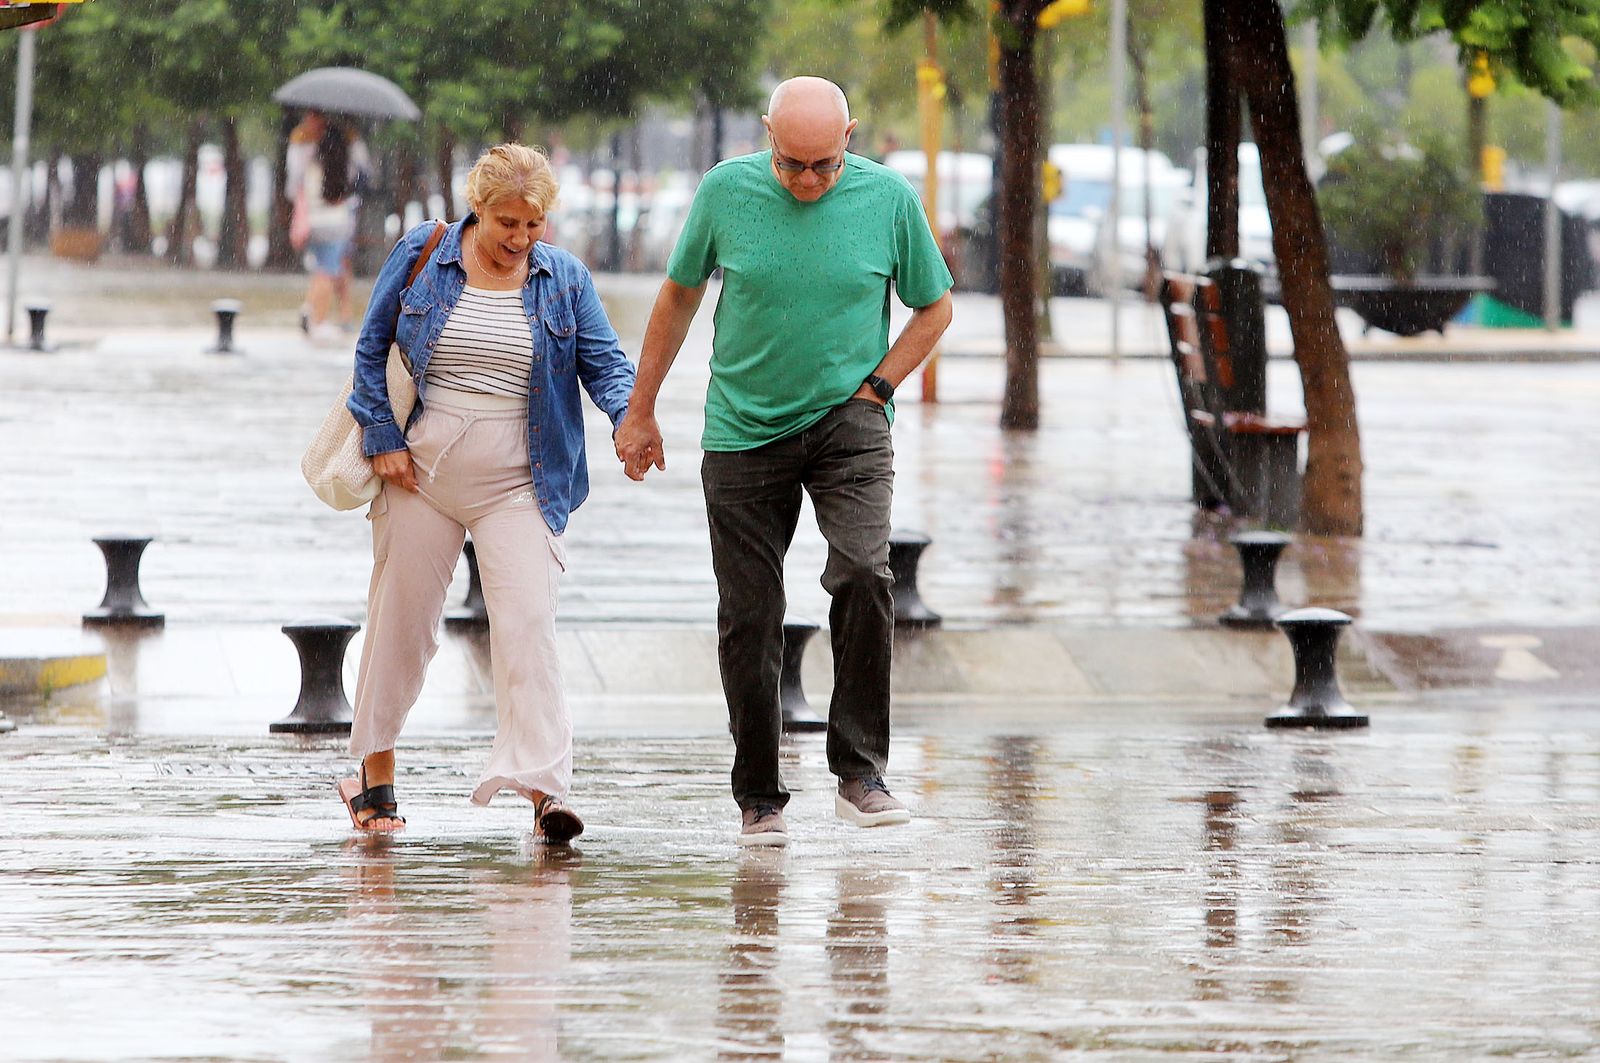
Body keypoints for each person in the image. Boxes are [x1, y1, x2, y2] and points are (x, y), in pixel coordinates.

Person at [614, 77, 954, 847]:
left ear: (851, 139)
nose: (808, 181)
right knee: (751, 615)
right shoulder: (723, 193)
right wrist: (641, 410)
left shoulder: (888, 200)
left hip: (850, 422)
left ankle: (860, 771)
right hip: (743, 428)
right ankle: (759, 795)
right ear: (767, 135)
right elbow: (677, 298)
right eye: (792, 163)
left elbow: (935, 306)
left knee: (866, 574)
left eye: (825, 166)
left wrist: (880, 386)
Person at [338, 144, 636, 841]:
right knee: (401, 626)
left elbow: (607, 365)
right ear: (479, 205)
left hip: (521, 483)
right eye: (508, 221)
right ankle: (373, 777)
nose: (520, 239)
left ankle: (544, 791)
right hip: (421, 474)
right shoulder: (427, 254)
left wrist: (630, 419)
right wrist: (381, 436)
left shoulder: (563, 279)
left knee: (528, 626)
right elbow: (369, 346)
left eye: (534, 225)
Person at [287, 111, 369, 344]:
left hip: (313, 220)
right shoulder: (343, 151)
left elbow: (295, 185)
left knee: (326, 267)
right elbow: (360, 176)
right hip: (336, 221)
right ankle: (317, 319)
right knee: (328, 270)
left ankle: (313, 311)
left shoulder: (307, 154)